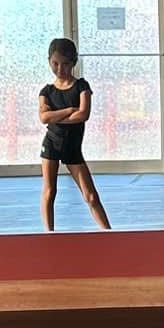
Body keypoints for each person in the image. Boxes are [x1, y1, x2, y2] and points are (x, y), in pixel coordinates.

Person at [40, 38, 111, 231]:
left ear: (73, 63)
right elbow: (44, 117)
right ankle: (49, 234)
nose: (60, 68)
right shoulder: (47, 91)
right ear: (49, 61)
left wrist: (56, 116)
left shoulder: (82, 86)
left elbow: (83, 114)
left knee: (91, 196)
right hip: (51, 144)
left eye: (65, 64)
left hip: (72, 148)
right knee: (49, 192)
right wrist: (69, 110)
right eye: (55, 63)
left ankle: (108, 233)